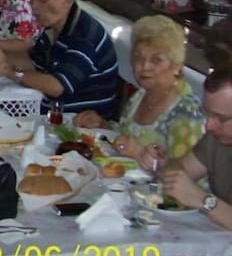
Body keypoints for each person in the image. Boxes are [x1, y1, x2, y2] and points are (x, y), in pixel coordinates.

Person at [73, 16, 205, 170]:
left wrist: (140, 154)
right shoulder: (140, 96)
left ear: (176, 66)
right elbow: (127, 138)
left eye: (156, 60)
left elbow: (185, 174)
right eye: (138, 57)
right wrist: (103, 125)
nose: (144, 66)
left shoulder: (187, 111)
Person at [0, 0, 119, 118]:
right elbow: (32, 66)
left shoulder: (84, 35)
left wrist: (9, 71)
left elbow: (57, 87)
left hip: (79, 123)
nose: (34, 5)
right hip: (49, 112)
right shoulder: (51, 28)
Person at [160, 68, 232, 256]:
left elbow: (198, 196)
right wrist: (160, 163)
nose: (209, 125)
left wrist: (203, 200)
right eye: (207, 114)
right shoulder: (217, 138)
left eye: (221, 118)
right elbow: (181, 169)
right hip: (220, 251)